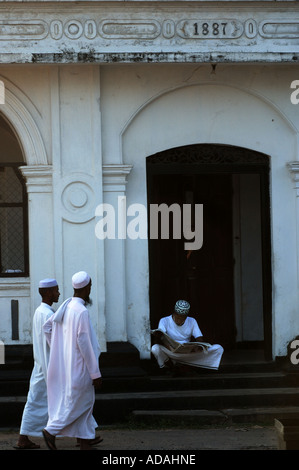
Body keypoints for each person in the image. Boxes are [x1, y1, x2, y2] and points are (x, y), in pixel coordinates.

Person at [42, 271, 102, 451]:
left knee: (84, 406)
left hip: (68, 365)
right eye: (90, 287)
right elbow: (84, 342)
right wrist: (95, 372)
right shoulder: (81, 311)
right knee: (79, 404)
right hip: (81, 367)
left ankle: (85, 441)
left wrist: (59, 350)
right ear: (87, 288)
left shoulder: (66, 306)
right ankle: (50, 431)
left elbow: (47, 327)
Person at [14, 279, 60, 449]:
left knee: (35, 402)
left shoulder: (40, 311)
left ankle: (81, 435)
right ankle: (81, 436)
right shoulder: (48, 314)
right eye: (56, 290)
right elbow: (54, 343)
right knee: (39, 402)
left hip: (41, 364)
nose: (58, 293)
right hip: (48, 366)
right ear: (48, 293)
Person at [151, 299, 224, 373]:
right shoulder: (164, 320)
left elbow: (199, 338)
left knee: (218, 348)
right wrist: (166, 345)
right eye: (177, 318)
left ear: (186, 316)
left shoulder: (192, 321)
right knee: (155, 348)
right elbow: (161, 336)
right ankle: (171, 366)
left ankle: (187, 364)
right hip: (171, 352)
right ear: (174, 313)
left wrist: (198, 346)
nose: (179, 321)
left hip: (188, 353)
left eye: (182, 318)